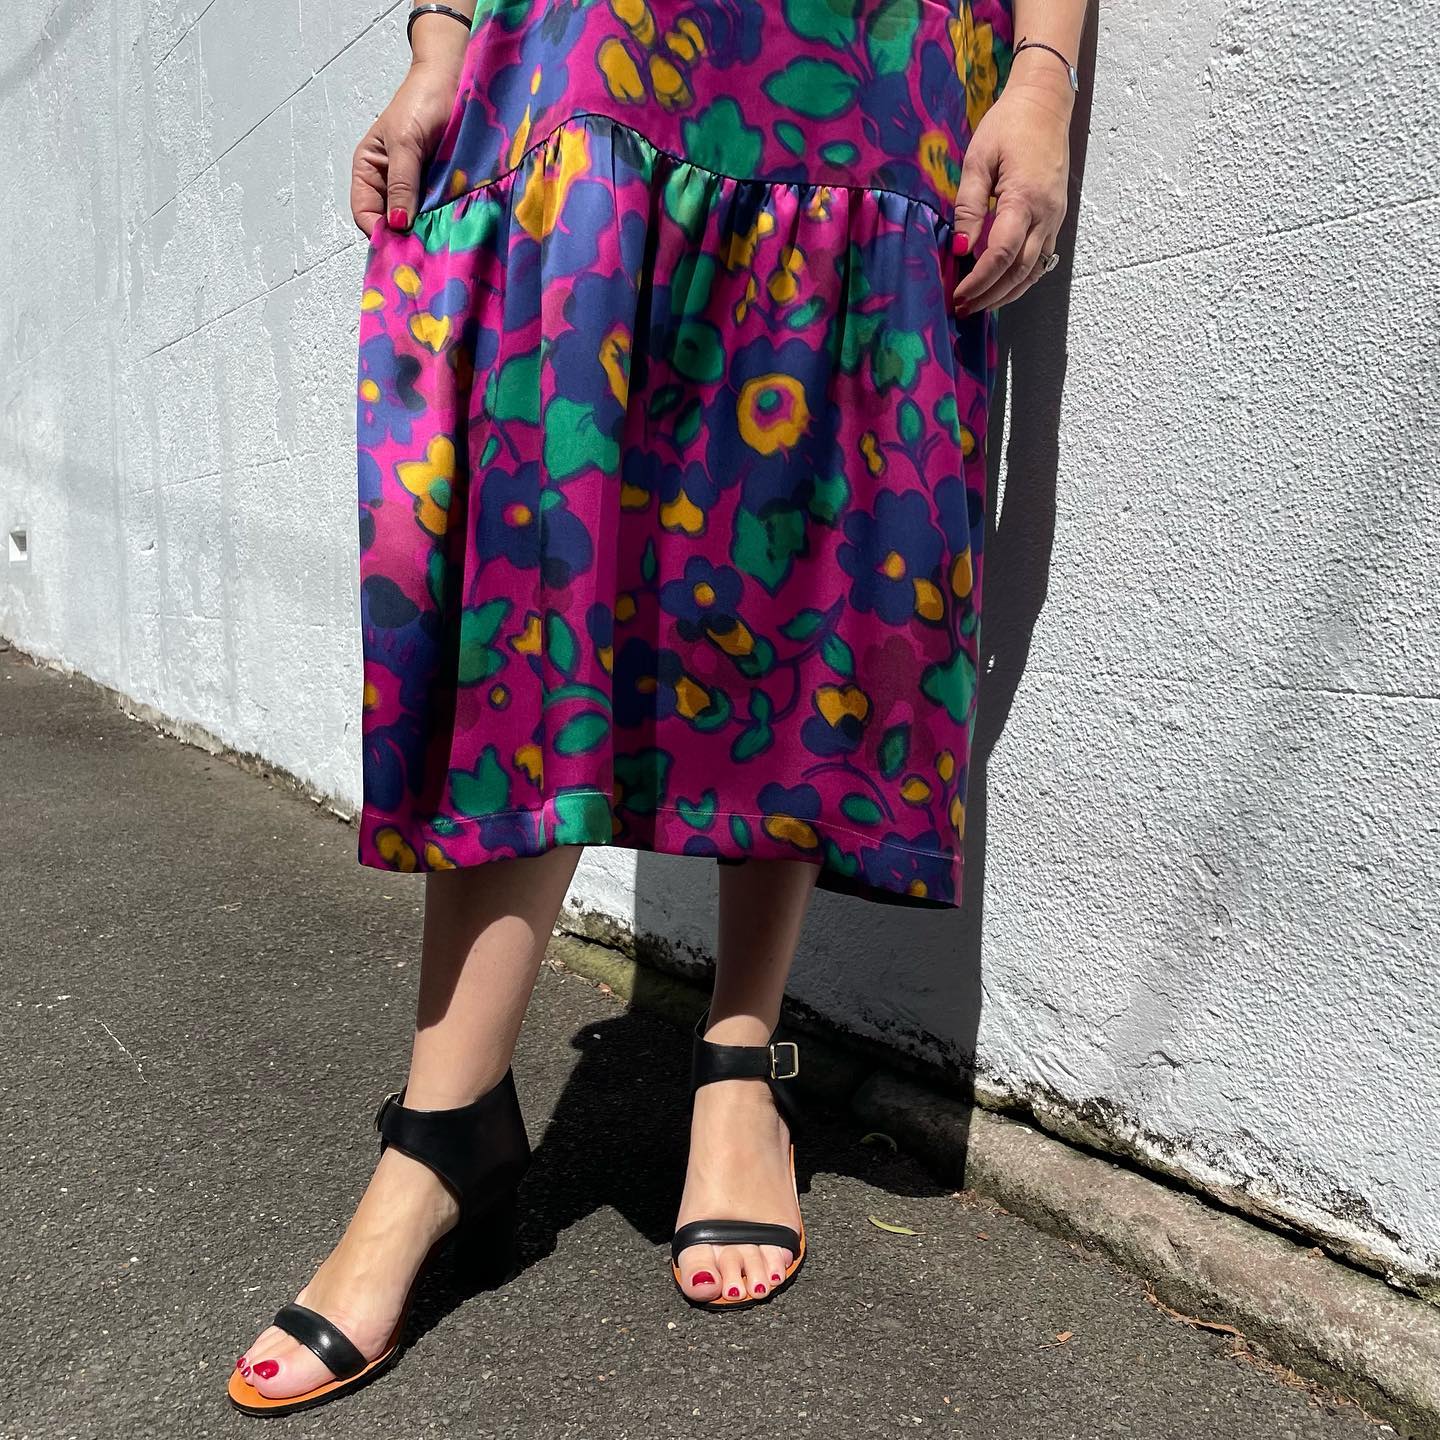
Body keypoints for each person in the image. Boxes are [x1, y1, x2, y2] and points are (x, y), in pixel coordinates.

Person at [228, 0, 1079, 1415]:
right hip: (597, 42)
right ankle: (445, 1122)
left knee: (799, 516)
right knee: (541, 543)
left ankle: (740, 1058)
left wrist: (1041, 78)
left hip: (870, 55)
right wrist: (434, 43)